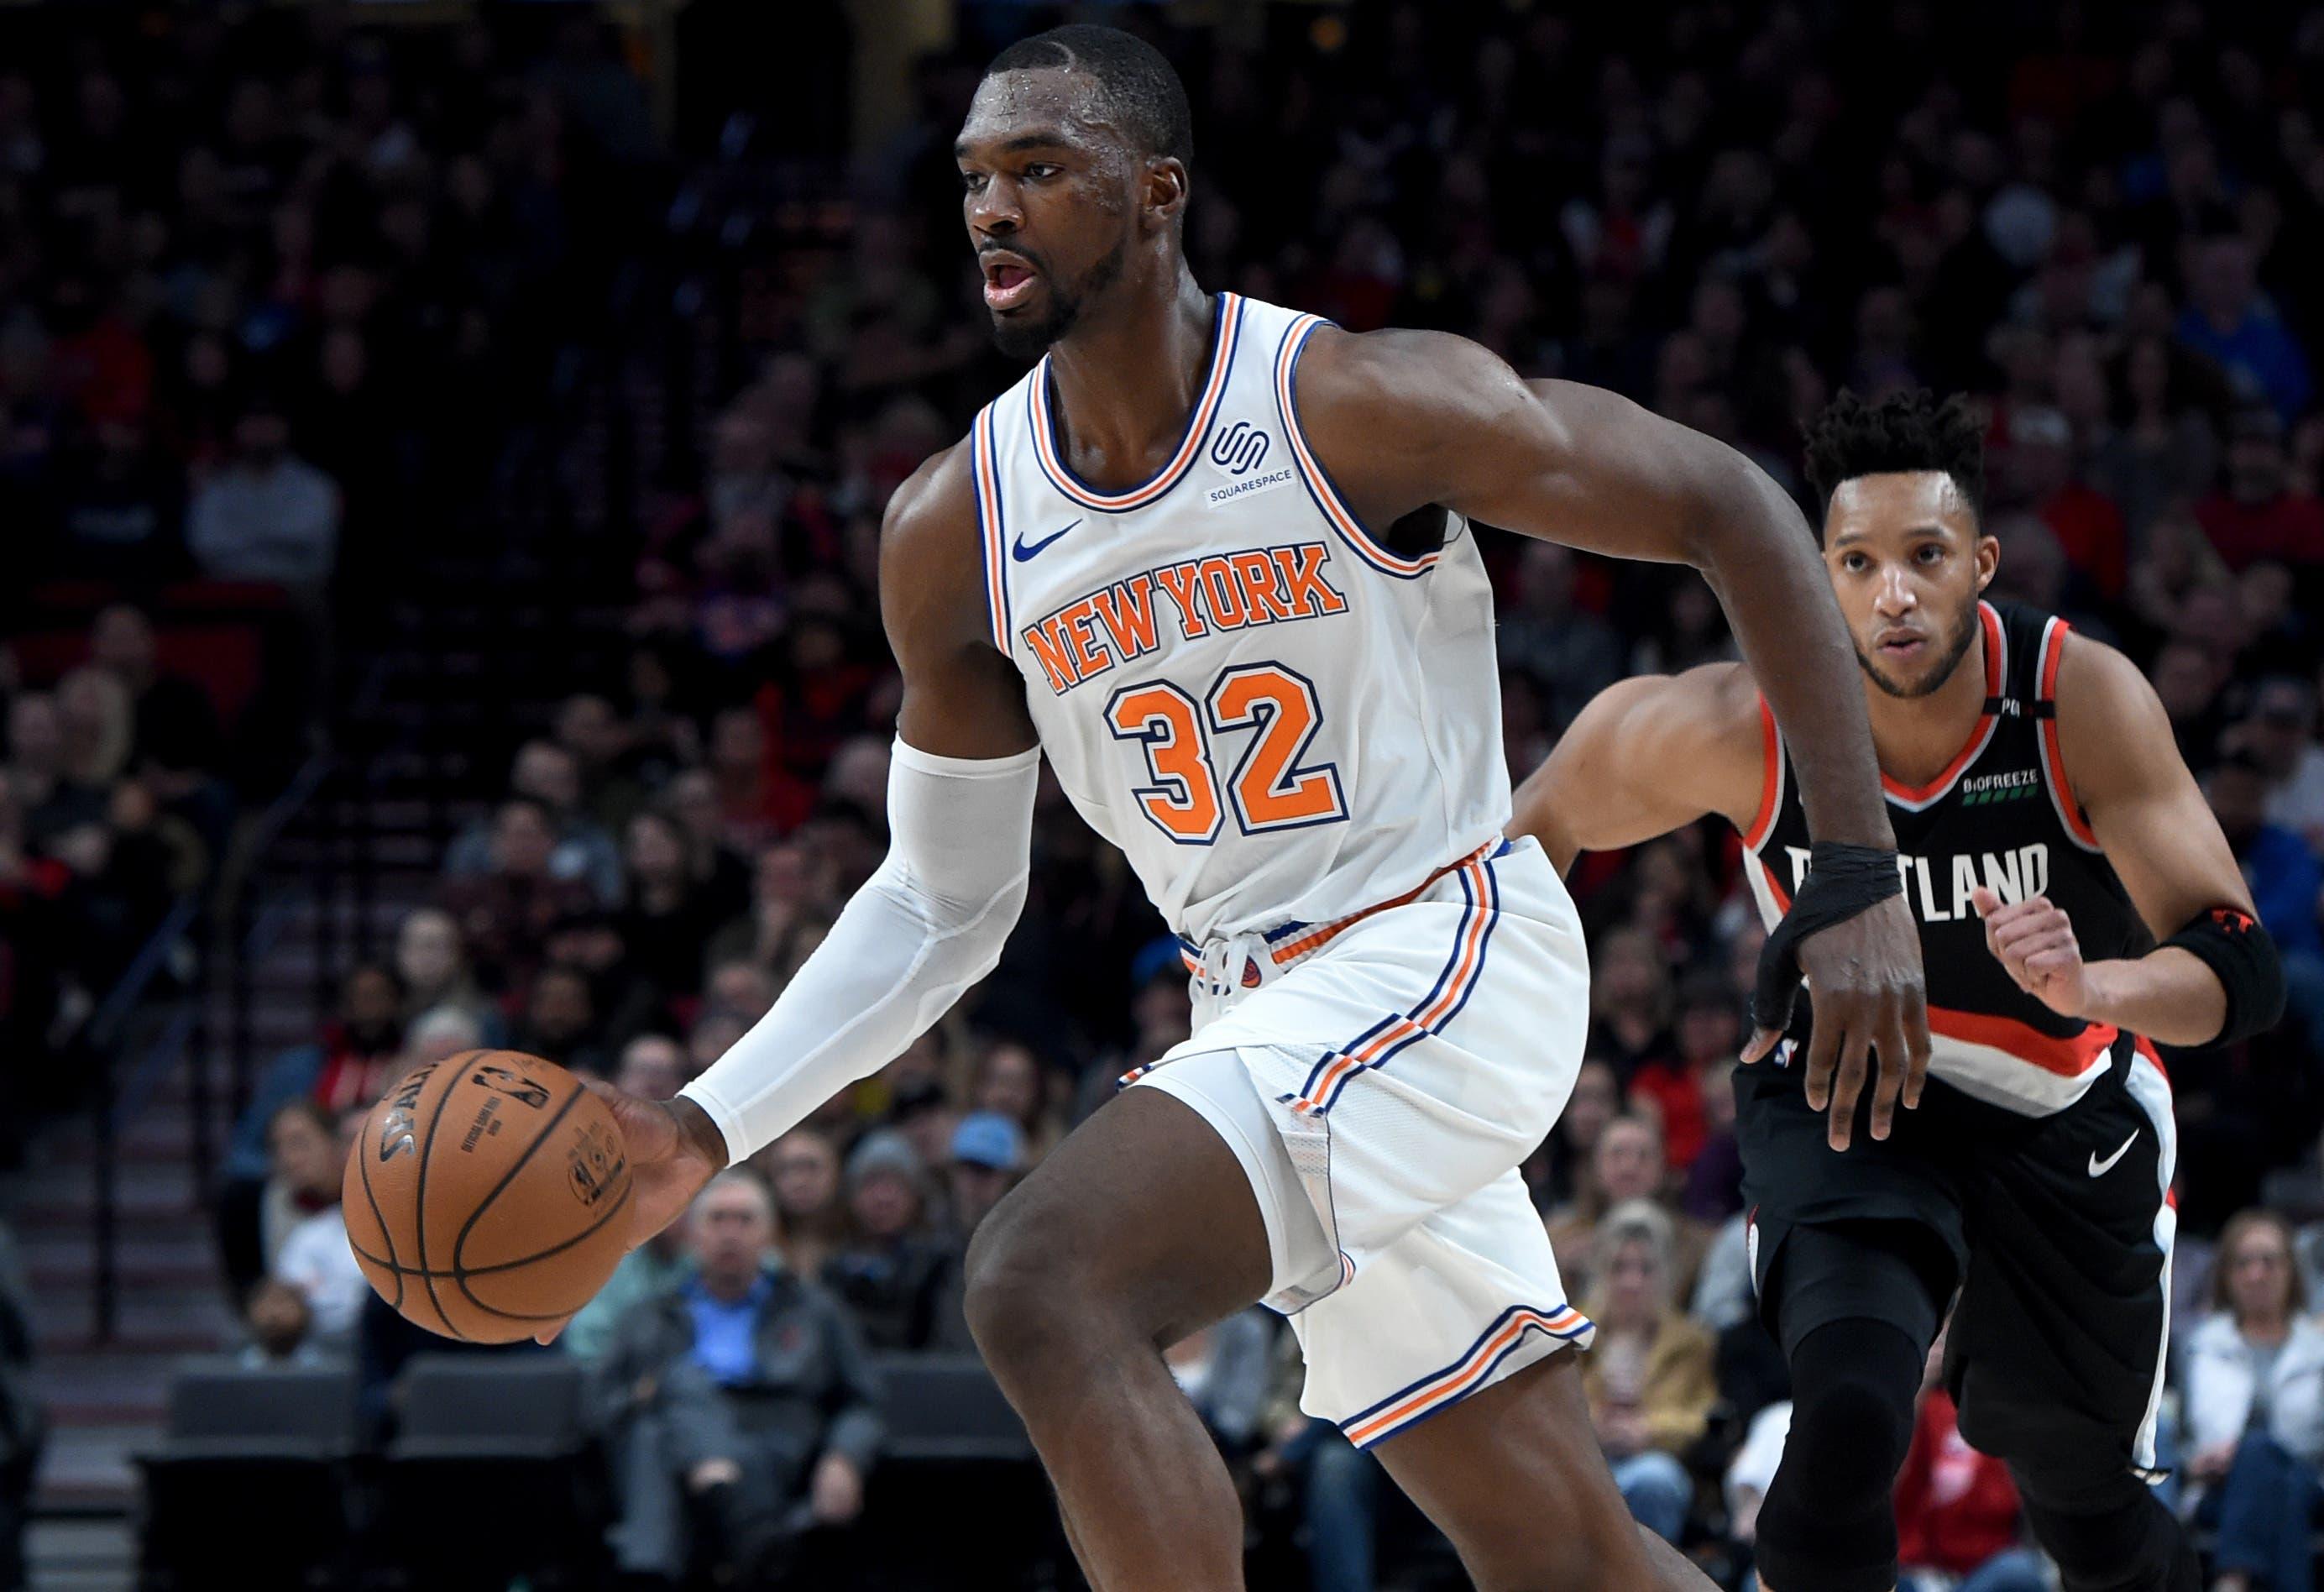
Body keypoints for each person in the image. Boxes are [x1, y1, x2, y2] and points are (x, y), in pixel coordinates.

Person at [560, 26, 1926, 1591]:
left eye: (1039, 172)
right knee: (1563, 1556)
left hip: (1441, 951)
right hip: (1259, 1016)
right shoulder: (953, 527)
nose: (992, 209)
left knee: (1037, 1279)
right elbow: (940, 905)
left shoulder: (1345, 402)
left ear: (1155, 195)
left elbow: (1727, 507)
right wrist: (701, 1125)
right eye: (973, 180)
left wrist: (1850, 874)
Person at [1514, 387, 2285, 1592]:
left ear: (1978, 563)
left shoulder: (2075, 697)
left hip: (2061, 1110)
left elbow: (2242, 968)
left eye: (1925, 558)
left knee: (2079, 1499)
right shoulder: (1738, 723)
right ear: (1813, 575)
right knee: (1846, 1422)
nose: (1894, 594)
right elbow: (1531, 838)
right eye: (1858, 562)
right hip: (1859, 1097)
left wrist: (2100, 982)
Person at [590, 1170, 881, 1587]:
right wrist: (645, 1394)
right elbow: (596, 1409)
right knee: (671, 1399)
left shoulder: (814, 1310)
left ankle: (649, 1566)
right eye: (718, 1219)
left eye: (745, 1220)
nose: (731, 1233)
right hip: (678, 1452)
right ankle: (753, 1533)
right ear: (692, 1233)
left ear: (769, 1235)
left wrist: (844, 1458)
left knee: (664, 1418)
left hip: (776, 1444)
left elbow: (863, 1401)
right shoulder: (649, 1317)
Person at [2178, 1209, 2324, 1592]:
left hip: (2311, 1482)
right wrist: (2196, 1464)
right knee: (2282, 1491)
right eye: (2243, 1263)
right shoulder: (2202, 1346)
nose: (2256, 1274)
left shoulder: (2318, 1347)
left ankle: (2233, 1579)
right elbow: (2177, 1440)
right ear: (2226, 1275)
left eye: (2269, 1262)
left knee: (2267, 1459)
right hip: (2219, 1490)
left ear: (2292, 1270)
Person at [1580, 1200, 1715, 1547]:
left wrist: (1648, 1430)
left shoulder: (1692, 1340)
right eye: (1619, 1267)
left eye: (1645, 1269)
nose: (1632, 1281)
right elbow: (1552, 1411)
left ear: (1665, 1273)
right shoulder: (1573, 1336)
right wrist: (1597, 1424)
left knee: (1654, 1480)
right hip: (1585, 1460)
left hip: (1657, 1462)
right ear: (1601, 1272)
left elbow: (1703, 1417)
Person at [1895, 1328, 2047, 1592]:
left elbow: (2016, 1499)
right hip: (1912, 1568)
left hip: (1982, 1569)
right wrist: (1915, 1391)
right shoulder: (1923, 1409)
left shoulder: (2004, 1414)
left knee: (2018, 1572)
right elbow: (1888, 1483)